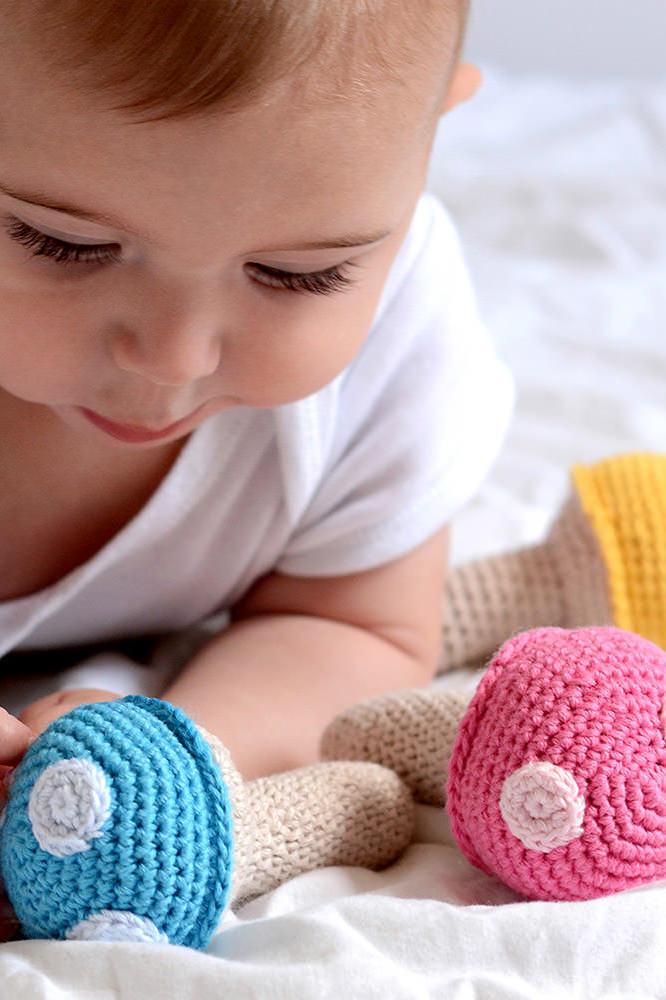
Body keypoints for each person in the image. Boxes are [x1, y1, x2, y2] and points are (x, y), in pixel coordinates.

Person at [0, 1, 513, 793]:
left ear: (426, 136)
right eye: (63, 244)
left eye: (297, 275)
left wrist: (167, 760)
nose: (174, 359)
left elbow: (348, 626)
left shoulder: (397, 327)